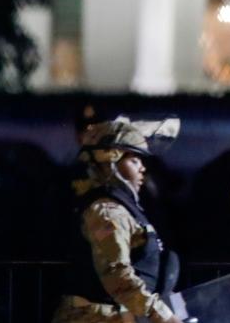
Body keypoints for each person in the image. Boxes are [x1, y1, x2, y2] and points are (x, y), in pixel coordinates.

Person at [53, 118, 185, 323]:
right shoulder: (107, 212)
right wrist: (162, 316)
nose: (142, 168)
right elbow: (117, 275)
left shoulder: (123, 209)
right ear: (111, 163)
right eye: (133, 160)